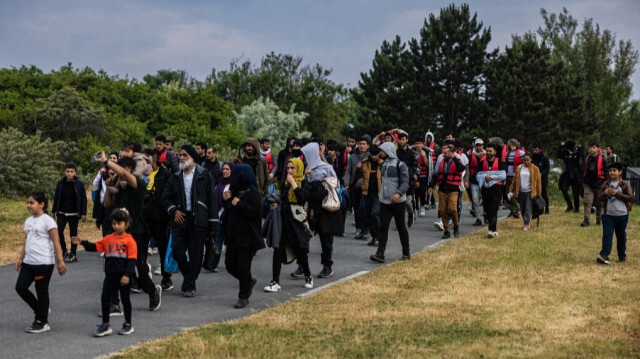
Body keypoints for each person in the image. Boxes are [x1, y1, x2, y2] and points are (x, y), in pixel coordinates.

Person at [94, 151, 162, 311]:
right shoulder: (120, 187)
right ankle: (114, 303)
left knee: (138, 266)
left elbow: (123, 173)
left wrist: (105, 161)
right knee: (113, 266)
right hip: (117, 233)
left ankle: (152, 291)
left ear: (131, 169)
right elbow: (107, 205)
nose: (118, 171)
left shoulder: (138, 183)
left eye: (122, 168)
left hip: (135, 232)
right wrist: (110, 186)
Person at [162, 145, 219, 297]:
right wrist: (173, 210)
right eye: (180, 155)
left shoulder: (204, 175)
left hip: (198, 220)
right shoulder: (175, 177)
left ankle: (189, 284)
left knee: (196, 253)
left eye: (185, 155)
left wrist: (214, 223)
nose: (181, 158)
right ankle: (189, 276)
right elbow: (165, 198)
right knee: (177, 249)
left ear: (193, 158)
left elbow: (212, 199)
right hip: (180, 219)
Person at [72, 209, 137, 337]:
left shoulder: (130, 241)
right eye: (114, 223)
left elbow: (132, 260)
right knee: (105, 298)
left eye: (119, 223)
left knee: (125, 300)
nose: (116, 226)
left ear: (126, 224)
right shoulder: (108, 239)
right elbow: (95, 247)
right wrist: (82, 242)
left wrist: (127, 275)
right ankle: (105, 324)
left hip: (123, 276)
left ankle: (128, 324)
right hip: (110, 275)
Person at [15, 191, 66, 333]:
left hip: (43, 263)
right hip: (28, 262)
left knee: (41, 290)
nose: (28, 205)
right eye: (28, 202)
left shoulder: (48, 221)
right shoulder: (28, 221)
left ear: (41, 204)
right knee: (20, 287)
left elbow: (56, 241)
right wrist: (20, 259)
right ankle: (41, 309)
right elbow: (27, 241)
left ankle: (42, 321)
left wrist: (60, 261)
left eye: (32, 203)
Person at [264, 158, 314, 292]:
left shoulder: (303, 183)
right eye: (288, 168)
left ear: (299, 169)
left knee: (300, 249)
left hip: (297, 220)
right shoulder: (285, 183)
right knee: (278, 249)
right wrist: (276, 202)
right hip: (284, 219)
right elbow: (283, 198)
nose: (290, 171)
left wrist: (294, 184)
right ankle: (275, 281)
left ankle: (308, 275)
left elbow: (302, 199)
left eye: (293, 168)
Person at [297, 142, 342, 278]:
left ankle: (327, 266)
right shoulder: (306, 168)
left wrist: (321, 184)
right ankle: (301, 266)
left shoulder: (326, 168)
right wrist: (305, 176)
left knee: (325, 237)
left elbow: (336, 185)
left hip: (324, 208)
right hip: (310, 207)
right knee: (303, 236)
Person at [223, 164, 265, 308]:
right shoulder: (234, 191)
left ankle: (243, 296)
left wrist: (239, 203)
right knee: (229, 265)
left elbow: (257, 213)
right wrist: (227, 200)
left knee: (243, 267)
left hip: (248, 237)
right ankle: (248, 281)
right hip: (233, 236)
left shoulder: (253, 193)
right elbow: (229, 211)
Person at [369, 142, 410, 263]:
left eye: (383, 151)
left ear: (389, 151)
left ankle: (406, 253)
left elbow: (405, 182)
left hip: (398, 202)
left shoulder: (400, 165)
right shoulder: (383, 164)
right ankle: (380, 253)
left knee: (401, 227)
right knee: (383, 227)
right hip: (384, 202)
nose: (380, 153)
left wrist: (398, 193)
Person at [143, 153, 173, 291]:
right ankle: (142, 278)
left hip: (160, 219)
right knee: (141, 249)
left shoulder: (165, 175)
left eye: (149, 160)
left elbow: (169, 195)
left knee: (162, 248)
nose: (147, 163)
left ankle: (166, 278)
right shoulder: (140, 175)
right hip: (144, 217)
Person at [596, 162, 633, 265]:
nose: (612, 173)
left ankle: (622, 256)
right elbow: (599, 198)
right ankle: (604, 255)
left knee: (621, 236)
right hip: (608, 215)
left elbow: (630, 197)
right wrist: (605, 193)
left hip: (622, 215)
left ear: (620, 172)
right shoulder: (605, 184)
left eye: (614, 170)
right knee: (607, 235)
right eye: (610, 171)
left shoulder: (625, 184)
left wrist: (618, 194)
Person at [52, 163, 87, 263]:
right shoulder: (60, 183)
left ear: (75, 172)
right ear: (64, 172)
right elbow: (56, 198)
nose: (69, 174)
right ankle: (64, 251)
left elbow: (83, 199)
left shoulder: (79, 184)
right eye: (67, 171)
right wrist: (53, 211)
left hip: (74, 213)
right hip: (62, 212)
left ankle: (73, 253)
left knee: (73, 234)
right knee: (58, 232)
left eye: (71, 172)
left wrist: (83, 213)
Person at [429, 146, 465, 239]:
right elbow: (436, 174)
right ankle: (446, 230)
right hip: (442, 190)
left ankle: (456, 226)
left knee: (452, 209)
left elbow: (462, 168)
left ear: (451, 153)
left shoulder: (457, 161)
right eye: (443, 153)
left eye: (446, 153)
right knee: (442, 210)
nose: (443, 155)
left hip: (453, 189)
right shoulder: (441, 162)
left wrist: (454, 158)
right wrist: (431, 186)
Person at [343, 135, 371, 237]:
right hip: (354, 187)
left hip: (367, 187)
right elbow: (348, 172)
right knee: (357, 208)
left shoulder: (370, 157)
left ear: (368, 145)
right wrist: (346, 183)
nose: (361, 146)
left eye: (364, 144)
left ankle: (366, 229)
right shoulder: (353, 157)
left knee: (364, 208)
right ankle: (359, 229)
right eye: (360, 144)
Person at [477, 143, 506, 238]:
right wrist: (485, 176)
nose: (488, 153)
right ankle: (492, 228)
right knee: (487, 209)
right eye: (487, 151)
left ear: (495, 152)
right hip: (485, 189)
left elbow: (503, 176)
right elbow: (478, 175)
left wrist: (492, 177)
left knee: (494, 208)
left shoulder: (500, 163)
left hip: (497, 188)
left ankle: (492, 229)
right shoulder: (481, 163)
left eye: (490, 151)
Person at [508, 153, 542, 230]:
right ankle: (526, 221)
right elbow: (514, 181)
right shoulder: (519, 168)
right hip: (521, 191)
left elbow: (538, 182)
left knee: (528, 207)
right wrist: (510, 190)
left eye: (527, 160)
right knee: (522, 208)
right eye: (524, 160)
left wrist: (539, 193)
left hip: (530, 191)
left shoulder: (535, 168)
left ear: (531, 160)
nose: (526, 161)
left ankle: (526, 223)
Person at [358, 145, 382, 246]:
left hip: (378, 193)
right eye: (372, 155)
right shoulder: (365, 163)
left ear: (379, 154)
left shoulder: (382, 164)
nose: (374, 157)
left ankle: (378, 237)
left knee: (375, 214)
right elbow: (359, 175)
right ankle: (373, 236)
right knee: (367, 215)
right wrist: (359, 167)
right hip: (366, 192)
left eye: (376, 155)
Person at [396, 132, 419, 228]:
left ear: (407, 140)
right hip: (398, 179)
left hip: (409, 180)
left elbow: (417, 166)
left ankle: (411, 214)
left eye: (403, 139)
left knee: (408, 202)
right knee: (399, 202)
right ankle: (400, 222)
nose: (401, 141)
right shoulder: (396, 152)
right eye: (400, 139)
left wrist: (416, 176)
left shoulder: (412, 153)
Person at [581, 141, 606, 227]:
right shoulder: (587, 159)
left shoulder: (603, 159)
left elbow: (606, 172)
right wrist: (583, 182)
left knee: (599, 204)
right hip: (588, 185)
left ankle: (599, 220)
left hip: (599, 185)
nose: (591, 149)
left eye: (593, 147)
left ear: (598, 149)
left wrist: (605, 184)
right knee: (587, 202)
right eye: (590, 147)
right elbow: (583, 170)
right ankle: (586, 221)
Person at [502, 139, 526, 218]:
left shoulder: (520, 153)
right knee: (507, 193)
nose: (507, 145)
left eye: (508, 144)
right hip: (508, 175)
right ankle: (513, 209)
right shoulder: (507, 153)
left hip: (516, 175)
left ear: (512, 144)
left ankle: (516, 208)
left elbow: (525, 163)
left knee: (513, 193)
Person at [557, 140, 584, 212]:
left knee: (575, 191)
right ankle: (570, 205)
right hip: (567, 172)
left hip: (576, 173)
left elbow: (583, 156)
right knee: (563, 188)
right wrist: (561, 146)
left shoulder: (577, 151)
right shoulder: (565, 151)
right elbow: (558, 155)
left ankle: (577, 208)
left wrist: (581, 149)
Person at [464, 138, 486, 226]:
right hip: (474, 181)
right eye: (477, 145)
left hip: (484, 181)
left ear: (483, 146)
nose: (479, 147)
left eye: (481, 145)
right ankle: (478, 218)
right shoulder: (470, 156)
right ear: (475, 146)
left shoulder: (487, 155)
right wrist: (466, 180)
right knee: (475, 200)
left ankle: (486, 214)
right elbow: (467, 169)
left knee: (485, 199)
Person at [531, 144, 550, 214]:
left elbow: (547, 168)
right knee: (536, 194)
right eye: (534, 150)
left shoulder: (545, 158)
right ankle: (540, 208)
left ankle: (547, 208)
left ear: (540, 150)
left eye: (536, 150)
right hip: (534, 179)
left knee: (544, 194)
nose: (535, 152)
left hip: (543, 179)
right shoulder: (533, 158)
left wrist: (541, 174)